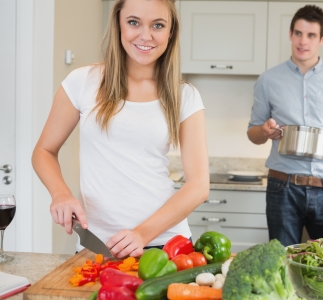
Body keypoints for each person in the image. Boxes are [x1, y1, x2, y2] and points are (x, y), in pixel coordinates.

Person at [32, 0, 209, 258]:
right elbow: (44, 150)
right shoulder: (83, 82)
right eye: (134, 22)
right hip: (98, 244)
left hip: (167, 244)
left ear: (170, 32)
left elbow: (199, 186)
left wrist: (142, 234)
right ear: (118, 24)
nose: (145, 35)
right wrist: (60, 194)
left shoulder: (186, 96)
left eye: (158, 25)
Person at [247, 5, 323, 246]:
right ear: (290, 34)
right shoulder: (268, 80)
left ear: (322, 39)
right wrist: (265, 131)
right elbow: (253, 133)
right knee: (283, 265)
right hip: (282, 187)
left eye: (311, 35)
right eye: (298, 33)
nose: (303, 41)